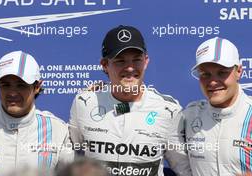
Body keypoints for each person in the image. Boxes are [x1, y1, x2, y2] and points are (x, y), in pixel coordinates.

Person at [69, 25, 191, 176]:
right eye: (120, 61)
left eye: (136, 60)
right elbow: (70, 159)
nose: (130, 68)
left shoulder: (168, 110)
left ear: (146, 61)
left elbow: (183, 169)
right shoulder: (84, 103)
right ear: (105, 65)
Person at [0, 51, 73, 175]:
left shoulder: (57, 130)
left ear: (37, 86)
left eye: (21, 85)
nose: (12, 93)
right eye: (6, 85)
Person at [184, 37, 252, 175]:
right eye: (205, 74)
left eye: (222, 72)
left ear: (239, 71)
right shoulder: (188, 116)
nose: (213, 82)